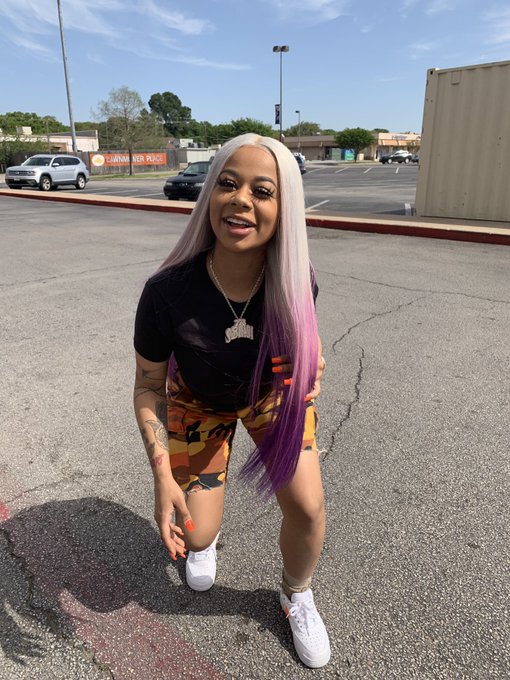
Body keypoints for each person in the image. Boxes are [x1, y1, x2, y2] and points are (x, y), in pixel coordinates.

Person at [133, 133, 330, 668]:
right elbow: (148, 384)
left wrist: (311, 368)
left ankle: (296, 594)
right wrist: (161, 476)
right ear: (209, 196)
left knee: (309, 508)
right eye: (227, 184)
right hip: (197, 403)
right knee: (198, 537)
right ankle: (206, 535)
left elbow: (307, 349)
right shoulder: (166, 291)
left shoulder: (296, 280)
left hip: (269, 398)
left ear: (283, 209)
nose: (241, 199)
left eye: (262, 191)